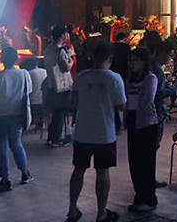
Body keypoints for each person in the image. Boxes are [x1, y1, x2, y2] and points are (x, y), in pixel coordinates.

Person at [67, 43, 126, 222]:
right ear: (110, 59)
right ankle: (101, 213)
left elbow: (74, 101)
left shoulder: (82, 77)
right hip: (104, 133)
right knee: (102, 172)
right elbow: (122, 105)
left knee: (78, 170)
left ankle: (72, 210)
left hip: (82, 132)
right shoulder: (115, 79)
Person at [0, 47, 33, 193]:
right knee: (16, 143)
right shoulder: (24, 74)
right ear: (16, 59)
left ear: (1, 60)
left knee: (1, 148)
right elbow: (29, 91)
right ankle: (25, 173)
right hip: (17, 115)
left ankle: (5, 180)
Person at [125, 47, 158, 213]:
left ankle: (149, 198)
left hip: (146, 123)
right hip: (132, 120)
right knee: (134, 162)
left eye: (135, 60)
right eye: (131, 60)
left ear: (144, 62)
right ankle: (139, 196)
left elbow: (147, 100)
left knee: (146, 162)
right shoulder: (130, 79)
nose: (132, 64)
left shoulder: (151, 78)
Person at [153, 40, 177, 188]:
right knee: (154, 146)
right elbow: (160, 93)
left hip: (149, 113)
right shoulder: (158, 71)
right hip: (157, 111)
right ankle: (151, 177)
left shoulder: (149, 67)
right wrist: (175, 88)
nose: (169, 59)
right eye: (169, 56)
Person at [43, 25, 74, 147]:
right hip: (61, 85)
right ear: (62, 35)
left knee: (56, 113)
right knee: (60, 113)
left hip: (50, 83)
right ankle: (56, 139)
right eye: (66, 34)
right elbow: (66, 68)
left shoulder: (48, 49)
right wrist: (71, 60)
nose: (67, 36)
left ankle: (51, 138)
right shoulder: (60, 51)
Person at [20, 57, 46, 131]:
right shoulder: (45, 71)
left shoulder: (29, 74)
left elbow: (26, 90)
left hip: (33, 103)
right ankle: (40, 122)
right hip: (45, 101)